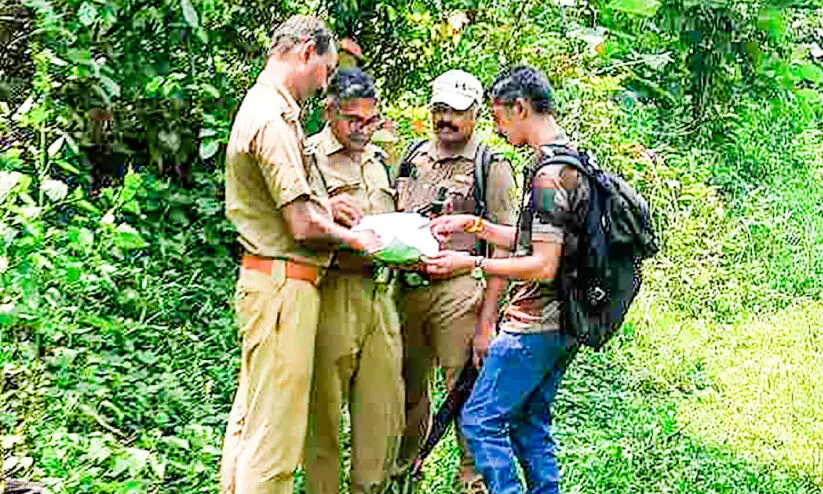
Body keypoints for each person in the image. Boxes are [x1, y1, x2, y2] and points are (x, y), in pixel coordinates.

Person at [220, 16, 381, 494]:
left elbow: (292, 204)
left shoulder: (266, 107)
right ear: (306, 52)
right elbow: (301, 225)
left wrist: (323, 205)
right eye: (326, 72)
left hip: (271, 283)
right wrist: (357, 240)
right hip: (283, 287)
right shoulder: (273, 117)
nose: (324, 84)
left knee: (252, 423)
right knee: (275, 440)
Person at [424, 65, 588, 494]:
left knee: (480, 420)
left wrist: (471, 264)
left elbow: (542, 264)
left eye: (498, 117)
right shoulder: (570, 156)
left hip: (537, 322)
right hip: (567, 320)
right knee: (530, 423)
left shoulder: (549, 175)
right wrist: (476, 226)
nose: (496, 129)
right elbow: (536, 237)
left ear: (520, 108)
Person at [393, 69, 517, 492]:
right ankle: (405, 472)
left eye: (457, 113)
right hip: (406, 291)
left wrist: (488, 321)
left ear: (476, 114)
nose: (446, 120)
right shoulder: (412, 156)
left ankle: (474, 481)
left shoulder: (491, 165)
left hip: (460, 294)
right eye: (440, 110)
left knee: (464, 394)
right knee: (405, 390)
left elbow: (506, 243)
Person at [303, 68, 405, 494]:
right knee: (323, 414)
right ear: (329, 112)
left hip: (381, 294)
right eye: (353, 120)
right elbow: (293, 224)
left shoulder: (379, 161)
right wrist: (326, 208)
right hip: (334, 291)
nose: (363, 130)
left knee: (382, 414)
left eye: (371, 120)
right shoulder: (307, 156)